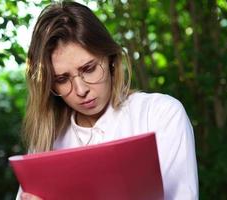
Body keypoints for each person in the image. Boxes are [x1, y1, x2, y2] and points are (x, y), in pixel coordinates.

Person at [17, 1, 198, 199]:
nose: (81, 90)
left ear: (111, 59)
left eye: (89, 69)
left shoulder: (159, 114)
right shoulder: (45, 143)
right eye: (62, 79)